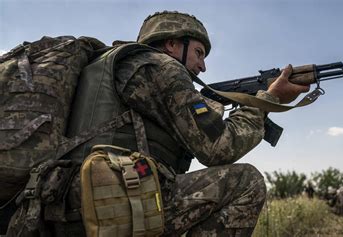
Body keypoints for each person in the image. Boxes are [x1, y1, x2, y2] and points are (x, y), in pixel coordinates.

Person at [11, 11, 310, 236]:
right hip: (108, 204)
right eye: (198, 53)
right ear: (171, 44)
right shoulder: (160, 67)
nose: (203, 65)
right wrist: (266, 102)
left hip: (62, 205)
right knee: (246, 183)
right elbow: (220, 149)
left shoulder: (110, 66)